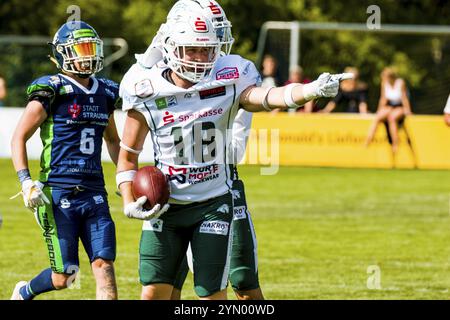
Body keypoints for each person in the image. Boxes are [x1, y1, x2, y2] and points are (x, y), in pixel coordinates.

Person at [117, 9, 350, 300]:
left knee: (212, 294)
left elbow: (265, 97)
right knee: (153, 293)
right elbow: (127, 159)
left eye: (207, 50)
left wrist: (309, 90)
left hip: (213, 204)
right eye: (193, 50)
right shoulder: (146, 89)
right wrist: (128, 200)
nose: (201, 59)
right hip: (166, 206)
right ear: (171, 48)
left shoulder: (228, 77)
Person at [10, 21, 121, 300]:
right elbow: (18, 137)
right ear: (63, 53)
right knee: (65, 277)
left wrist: (125, 176)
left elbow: (113, 140)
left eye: (91, 49)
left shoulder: (105, 92)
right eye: (81, 49)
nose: (87, 56)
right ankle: (24, 291)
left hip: (95, 190)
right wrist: (26, 182)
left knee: (103, 262)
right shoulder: (52, 89)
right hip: (58, 192)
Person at [365, 67, 412, 153]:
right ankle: (368, 141)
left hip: (399, 106)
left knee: (392, 118)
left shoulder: (400, 83)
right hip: (389, 105)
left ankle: (395, 144)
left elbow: (404, 97)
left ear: (390, 77)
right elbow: (383, 98)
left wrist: (408, 110)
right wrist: (379, 110)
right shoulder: (384, 83)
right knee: (377, 117)